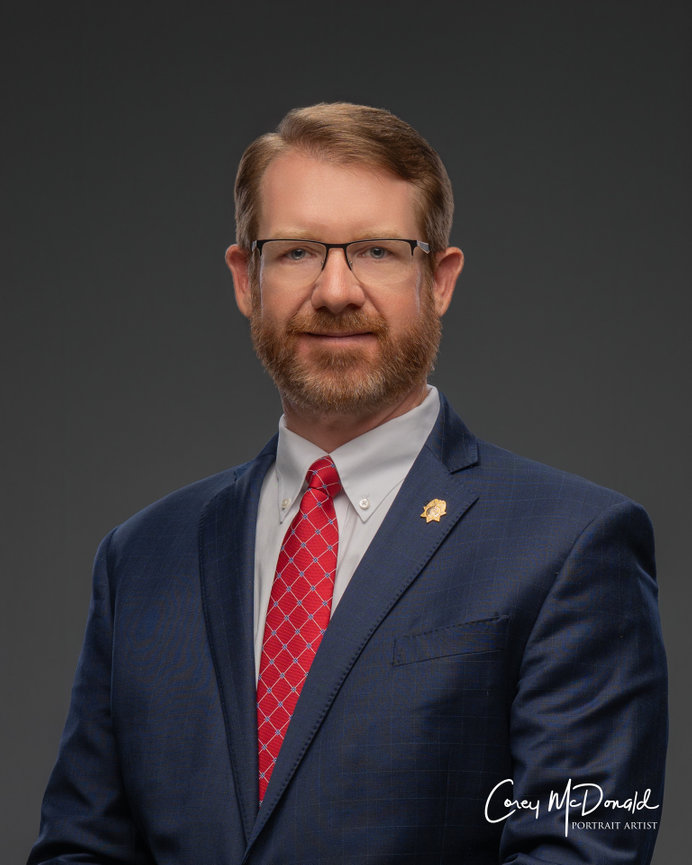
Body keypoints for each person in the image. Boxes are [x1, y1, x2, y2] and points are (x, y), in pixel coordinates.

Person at [29, 103, 667, 865]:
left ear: (440, 280)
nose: (336, 290)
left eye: (377, 250)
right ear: (245, 278)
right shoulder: (140, 559)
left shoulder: (571, 546)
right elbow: (80, 850)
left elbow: (576, 853)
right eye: (298, 251)